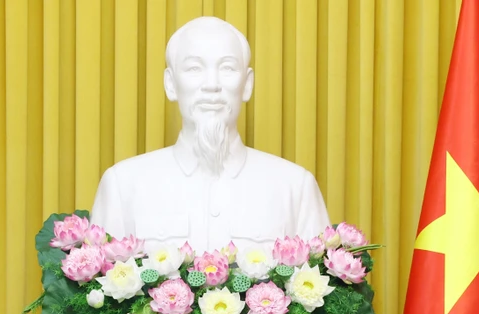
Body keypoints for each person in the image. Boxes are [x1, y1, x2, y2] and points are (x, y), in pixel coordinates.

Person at [90, 16, 330, 252]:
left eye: (227, 68)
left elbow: (322, 285)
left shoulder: (295, 188)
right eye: (194, 68)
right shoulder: (122, 185)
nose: (212, 84)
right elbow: (95, 286)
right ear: (171, 84)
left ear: (247, 84)